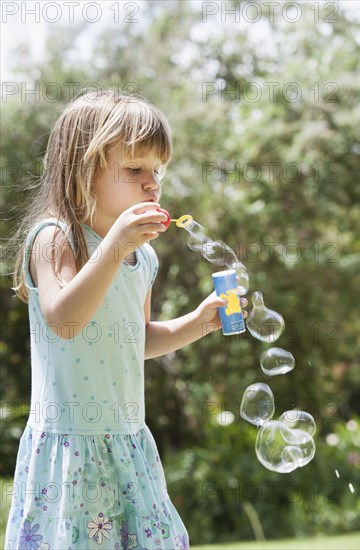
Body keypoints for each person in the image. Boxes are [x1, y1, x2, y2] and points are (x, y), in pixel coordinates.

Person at [5, 90, 247, 549]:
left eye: (157, 171)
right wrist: (114, 246)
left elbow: (135, 341)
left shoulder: (143, 258)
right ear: (83, 169)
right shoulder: (58, 238)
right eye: (134, 170)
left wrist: (198, 322)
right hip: (71, 447)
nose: (152, 183)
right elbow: (65, 321)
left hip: (127, 442)